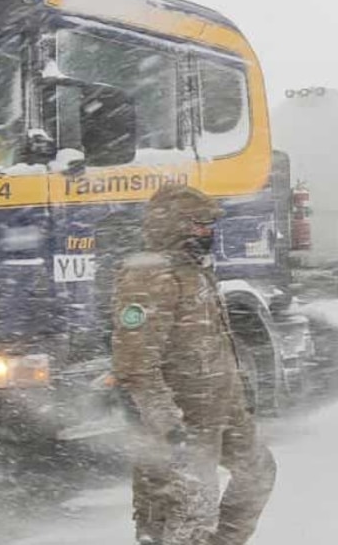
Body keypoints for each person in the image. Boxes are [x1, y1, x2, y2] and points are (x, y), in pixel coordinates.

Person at [112, 185, 277, 545]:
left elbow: (212, 345)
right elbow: (136, 365)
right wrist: (169, 426)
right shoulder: (149, 277)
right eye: (199, 225)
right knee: (182, 518)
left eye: (208, 226)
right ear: (175, 226)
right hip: (180, 427)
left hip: (221, 412)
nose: (208, 234)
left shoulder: (195, 271)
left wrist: (237, 405)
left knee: (258, 472)